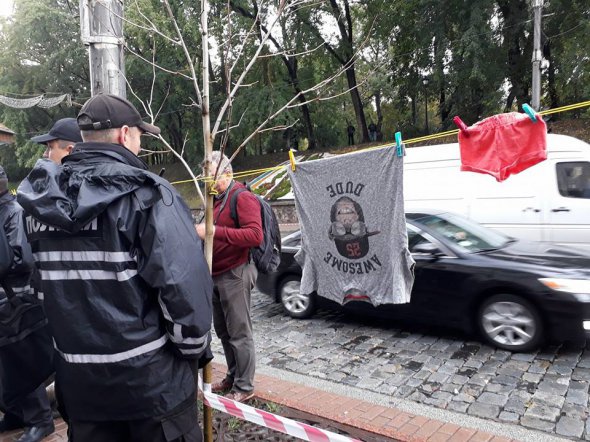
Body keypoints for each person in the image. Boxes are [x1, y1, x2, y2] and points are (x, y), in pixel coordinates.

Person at [17, 94, 213, 442]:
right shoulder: (147, 196)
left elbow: (34, 291)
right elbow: (184, 293)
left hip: (82, 392)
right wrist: (193, 352)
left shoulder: (37, 208)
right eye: (140, 134)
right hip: (152, 393)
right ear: (125, 134)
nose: (140, 143)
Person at [195, 152, 262, 403]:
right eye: (205, 175)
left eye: (211, 175)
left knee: (239, 332)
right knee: (224, 331)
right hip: (215, 274)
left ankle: (245, 386)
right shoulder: (216, 199)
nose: (207, 180)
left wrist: (214, 231)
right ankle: (233, 376)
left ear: (227, 173)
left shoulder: (242, 197)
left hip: (235, 272)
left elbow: (255, 235)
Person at [0, 166, 55, 442]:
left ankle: (40, 419)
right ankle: (14, 411)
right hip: (4, 296)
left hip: (18, 296)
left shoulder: (14, 211)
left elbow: (23, 258)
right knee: (5, 362)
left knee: (22, 357)